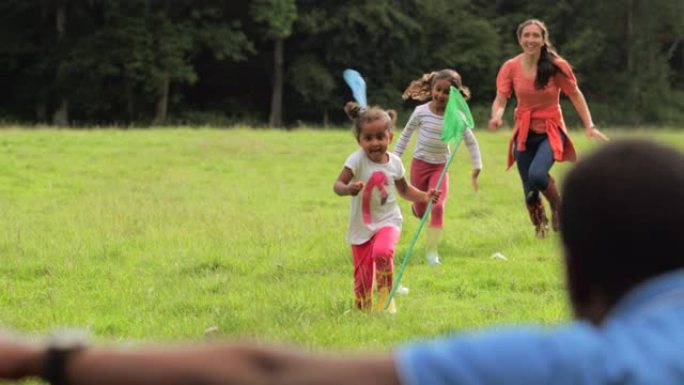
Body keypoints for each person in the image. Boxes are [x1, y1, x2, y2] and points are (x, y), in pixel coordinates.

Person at [0, 139, 682, 385]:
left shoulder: (582, 363)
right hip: (360, 228)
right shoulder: (360, 158)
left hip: (384, 229)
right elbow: (342, 182)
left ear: (574, 274)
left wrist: (41, 357)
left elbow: (270, 371)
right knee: (364, 271)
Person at [488, 18, 608, 238]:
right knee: (530, 193)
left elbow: (575, 94)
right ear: (519, 39)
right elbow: (501, 98)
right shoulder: (510, 67)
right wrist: (496, 116)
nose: (531, 39)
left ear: (543, 40)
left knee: (537, 174)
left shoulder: (555, 66)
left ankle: (558, 206)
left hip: (551, 132)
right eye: (527, 35)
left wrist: (589, 126)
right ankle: (540, 228)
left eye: (536, 35)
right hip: (524, 134)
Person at [333, 102, 440, 312]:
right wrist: (348, 189)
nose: (375, 143)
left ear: (390, 137)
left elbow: (405, 190)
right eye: (368, 138)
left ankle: (386, 299)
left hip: (388, 220)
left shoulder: (395, 163)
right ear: (359, 140)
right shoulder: (356, 160)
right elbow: (337, 185)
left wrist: (425, 196)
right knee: (362, 276)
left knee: (382, 252)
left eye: (380, 137)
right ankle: (363, 311)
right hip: (361, 225)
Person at [395, 69, 483, 265]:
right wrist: (395, 159)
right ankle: (417, 209)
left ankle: (432, 251)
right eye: (438, 89)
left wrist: (477, 165)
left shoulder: (457, 117)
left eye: (446, 92)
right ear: (431, 89)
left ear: (454, 94)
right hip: (419, 165)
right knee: (420, 209)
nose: (441, 95)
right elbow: (406, 135)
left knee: (437, 206)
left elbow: (470, 142)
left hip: (440, 168)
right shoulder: (421, 112)